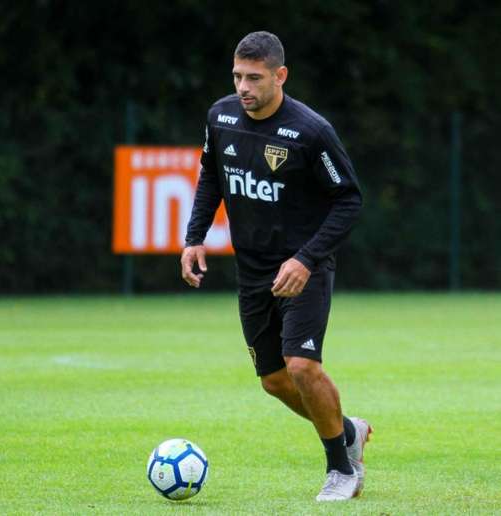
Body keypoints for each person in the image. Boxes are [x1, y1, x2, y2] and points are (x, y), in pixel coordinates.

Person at [181, 31, 371, 502]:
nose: (243, 87)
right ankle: (348, 431)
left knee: (303, 366)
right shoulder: (221, 117)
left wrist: (307, 259)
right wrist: (194, 238)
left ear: (280, 76)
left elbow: (348, 200)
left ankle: (341, 470)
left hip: (303, 268)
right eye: (237, 76)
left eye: (254, 78)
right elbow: (212, 176)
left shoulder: (311, 132)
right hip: (253, 271)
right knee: (274, 381)